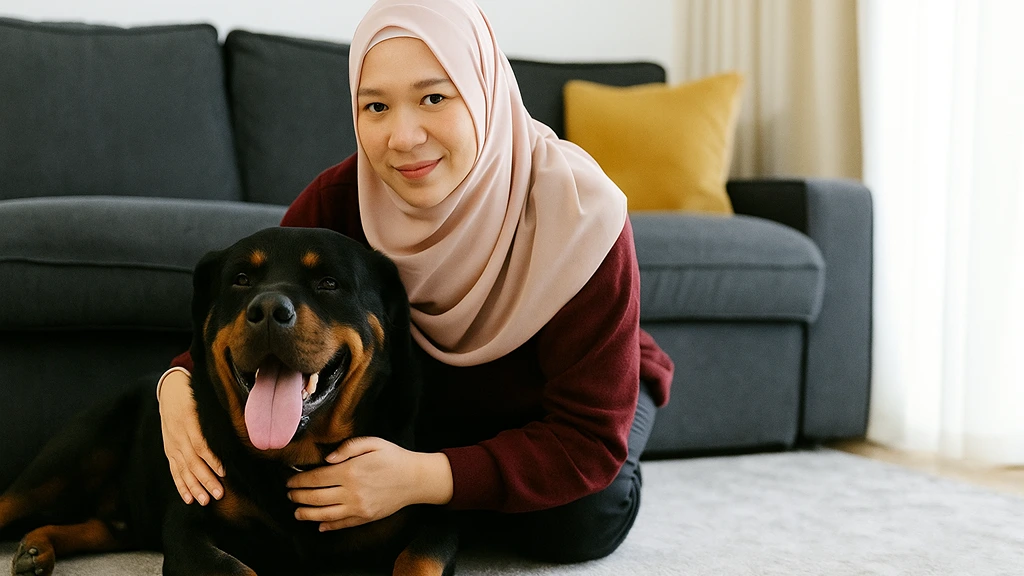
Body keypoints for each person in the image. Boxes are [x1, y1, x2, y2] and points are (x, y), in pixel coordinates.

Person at [156, 0, 674, 563]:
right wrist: (175, 385)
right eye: (375, 105)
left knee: (578, 521)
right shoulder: (337, 202)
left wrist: (424, 479)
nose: (402, 138)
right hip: (439, 412)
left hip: (564, 411)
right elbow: (259, 317)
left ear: (484, 92)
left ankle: (617, 422)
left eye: (433, 97)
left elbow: (587, 440)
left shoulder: (581, 215)